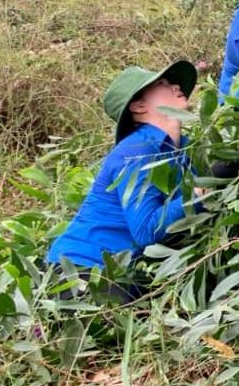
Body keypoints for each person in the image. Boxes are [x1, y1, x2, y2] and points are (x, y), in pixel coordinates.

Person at [45, 61, 204, 284]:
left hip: (121, 273)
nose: (175, 86)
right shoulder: (136, 152)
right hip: (80, 271)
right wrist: (198, 194)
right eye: (162, 83)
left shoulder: (183, 150)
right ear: (138, 106)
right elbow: (146, 230)